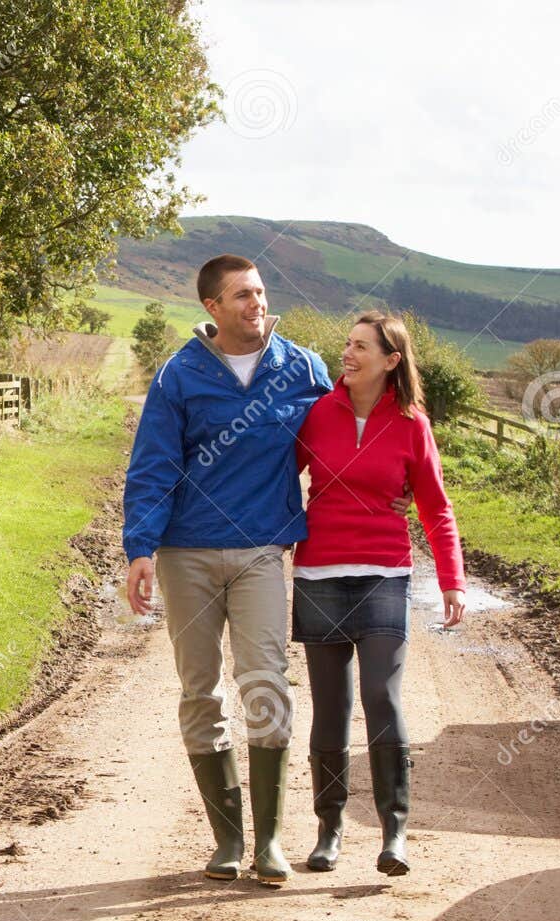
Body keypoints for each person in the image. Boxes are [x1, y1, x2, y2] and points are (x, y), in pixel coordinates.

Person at [122, 255, 334, 888]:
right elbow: (153, 464)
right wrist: (140, 548)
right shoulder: (179, 377)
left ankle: (269, 842)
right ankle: (228, 840)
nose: (256, 303)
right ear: (212, 307)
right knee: (199, 689)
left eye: (261, 292)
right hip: (186, 554)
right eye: (242, 295)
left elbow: (346, 433)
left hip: (264, 550)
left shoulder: (301, 367)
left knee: (266, 681)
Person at [294, 311, 465, 876]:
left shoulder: (412, 423)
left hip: (384, 575)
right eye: (347, 343)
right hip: (318, 574)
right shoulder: (318, 413)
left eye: (361, 346)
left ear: (391, 361)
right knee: (331, 708)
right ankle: (331, 829)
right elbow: (272, 479)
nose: (348, 353)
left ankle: (394, 833)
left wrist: (451, 581)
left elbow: (436, 505)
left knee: (381, 696)